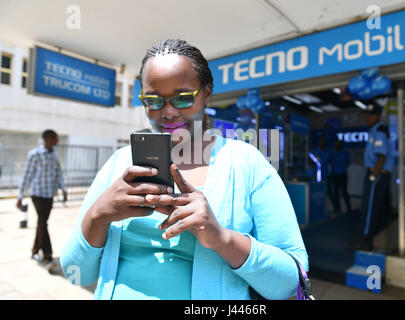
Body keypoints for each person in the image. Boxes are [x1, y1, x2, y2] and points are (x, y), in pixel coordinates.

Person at [60, 39, 308, 300]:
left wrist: (221, 238)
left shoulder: (246, 163)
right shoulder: (119, 164)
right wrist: (98, 215)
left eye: (182, 98)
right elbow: (77, 274)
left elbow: (292, 283)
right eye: (153, 100)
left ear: (206, 95)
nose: (167, 112)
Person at [17, 129, 67, 267]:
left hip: (49, 194)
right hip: (37, 194)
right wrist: (20, 196)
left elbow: (58, 174)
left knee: (41, 223)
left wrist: (63, 189)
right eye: (56, 138)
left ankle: (34, 251)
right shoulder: (35, 154)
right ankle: (48, 256)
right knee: (43, 223)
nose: (58, 140)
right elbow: (27, 175)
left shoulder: (54, 155)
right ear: (49, 138)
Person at [359, 102, 394, 251]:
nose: (367, 117)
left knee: (369, 207)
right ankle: (376, 235)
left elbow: (381, 157)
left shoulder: (379, 131)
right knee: (378, 207)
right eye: (366, 114)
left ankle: (366, 239)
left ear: (377, 116)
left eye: (370, 115)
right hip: (377, 172)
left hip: (377, 173)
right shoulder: (374, 130)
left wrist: (373, 176)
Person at [330, 139, 351, 214]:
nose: (337, 145)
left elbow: (348, 162)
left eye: (338, 144)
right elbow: (329, 162)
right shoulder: (332, 152)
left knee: (344, 192)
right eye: (336, 143)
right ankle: (337, 209)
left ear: (341, 145)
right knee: (336, 193)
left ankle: (349, 209)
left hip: (343, 174)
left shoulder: (344, 152)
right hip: (334, 175)